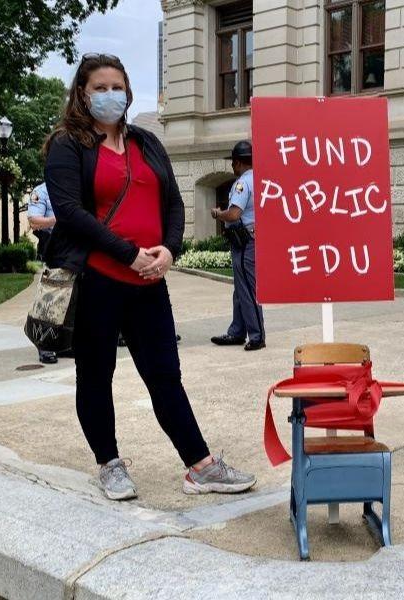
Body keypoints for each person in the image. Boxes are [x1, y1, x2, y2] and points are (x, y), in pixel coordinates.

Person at [43, 53, 256, 500]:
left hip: (149, 283)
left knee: (164, 375)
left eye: (116, 87)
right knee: (95, 375)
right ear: (82, 93)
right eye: (99, 88)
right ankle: (109, 463)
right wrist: (128, 254)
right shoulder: (68, 144)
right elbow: (70, 213)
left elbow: (174, 204)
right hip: (98, 279)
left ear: (128, 90)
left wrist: (169, 249)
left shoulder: (145, 142)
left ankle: (200, 467)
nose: (109, 95)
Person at [210, 140, 266, 351]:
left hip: (246, 241)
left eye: (233, 162)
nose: (232, 167)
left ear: (238, 162)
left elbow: (234, 214)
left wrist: (218, 213)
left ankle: (257, 335)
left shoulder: (243, 183)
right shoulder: (259, 180)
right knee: (241, 289)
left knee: (248, 290)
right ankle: (237, 331)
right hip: (252, 237)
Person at [27, 182, 59, 364]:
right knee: (50, 295)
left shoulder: (74, 185)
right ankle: (45, 343)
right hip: (52, 244)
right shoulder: (40, 191)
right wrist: (59, 218)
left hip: (75, 245)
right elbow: (34, 222)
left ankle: (64, 341)